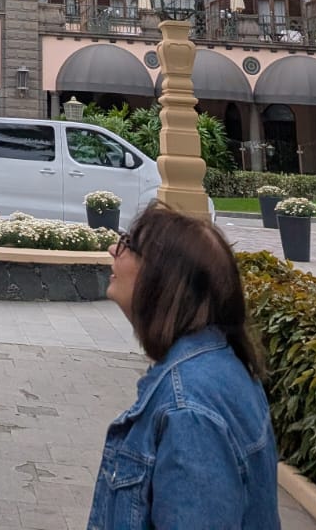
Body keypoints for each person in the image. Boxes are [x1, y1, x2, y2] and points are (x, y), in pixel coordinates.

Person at [86, 203, 280, 530]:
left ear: (162, 278)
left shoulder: (189, 411)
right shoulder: (221, 365)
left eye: (128, 244)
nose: (112, 250)